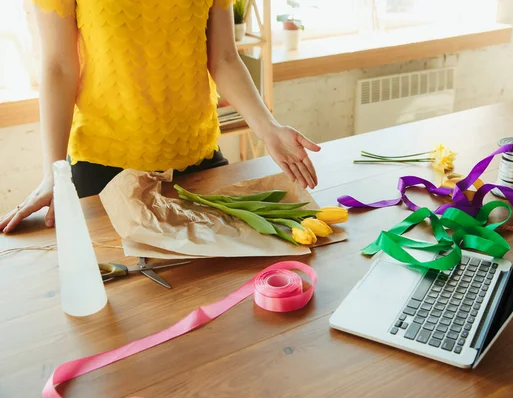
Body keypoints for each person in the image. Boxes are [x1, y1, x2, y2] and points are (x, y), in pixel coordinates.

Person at [0, 0, 320, 234]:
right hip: (103, 170)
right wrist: (52, 174)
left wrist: (269, 129)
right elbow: (59, 67)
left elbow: (222, 57)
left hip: (197, 160)